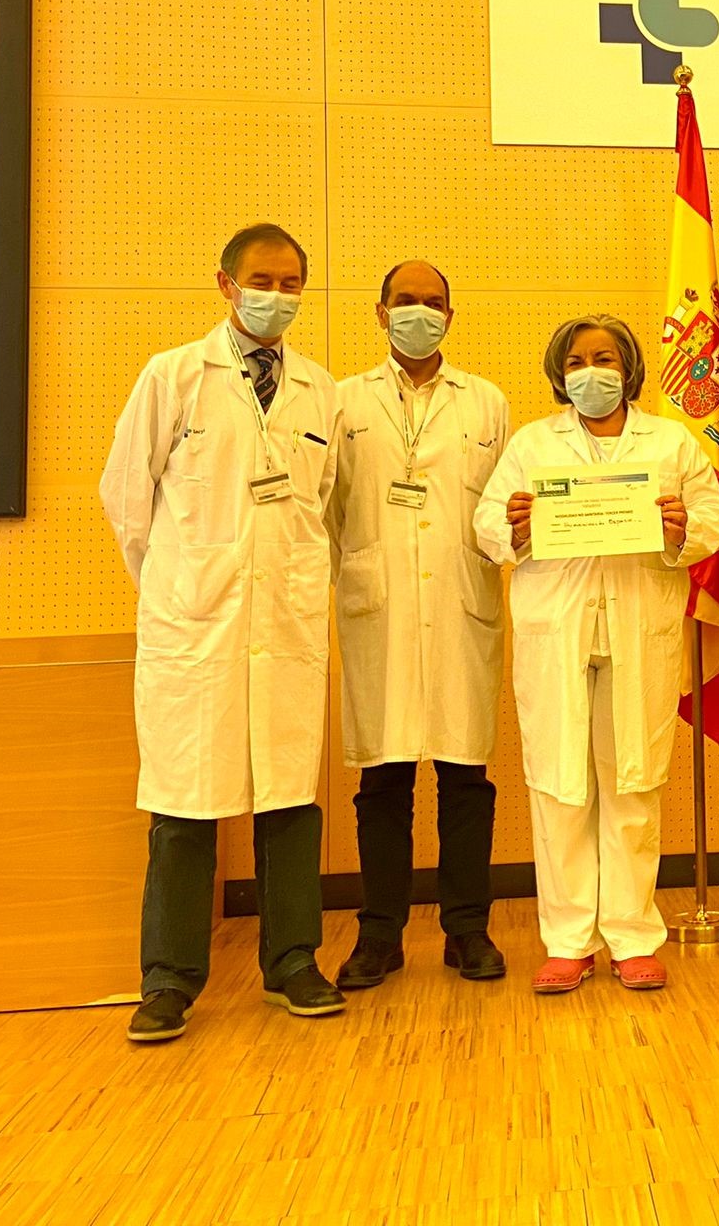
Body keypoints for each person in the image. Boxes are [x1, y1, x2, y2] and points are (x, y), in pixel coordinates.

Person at [99, 223, 345, 1043]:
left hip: (286, 622)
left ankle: (293, 963)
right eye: (261, 281)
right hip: (195, 629)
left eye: (291, 283)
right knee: (184, 805)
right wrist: (180, 588)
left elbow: (321, 505)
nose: (277, 296)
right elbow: (127, 501)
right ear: (226, 284)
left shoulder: (320, 390)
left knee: (289, 798)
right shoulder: (174, 376)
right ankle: (169, 981)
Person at [473, 314, 719, 995]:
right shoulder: (533, 444)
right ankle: (568, 941)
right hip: (557, 631)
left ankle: (632, 937)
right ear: (561, 374)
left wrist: (681, 527)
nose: (592, 372)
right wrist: (515, 526)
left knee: (632, 784)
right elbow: (486, 524)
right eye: (578, 361)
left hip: (639, 629)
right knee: (560, 786)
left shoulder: (670, 441)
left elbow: (714, 520)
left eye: (605, 359)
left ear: (629, 367)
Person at [326, 261, 510, 991]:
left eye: (434, 302)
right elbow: (327, 511)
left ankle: (467, 929)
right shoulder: (344, 402)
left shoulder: (486, 403)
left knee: (466, 777)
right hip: (381, 609)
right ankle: (380, 935)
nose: (419, 313)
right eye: (405, 301)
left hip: (462, 606)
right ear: (380, 312)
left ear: (451, 316)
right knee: (384, 779)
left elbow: (504, 509)